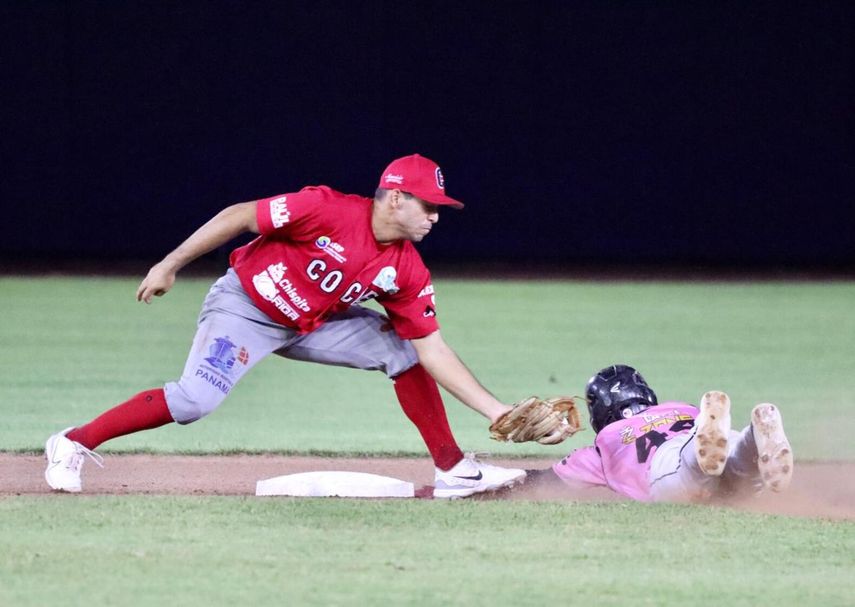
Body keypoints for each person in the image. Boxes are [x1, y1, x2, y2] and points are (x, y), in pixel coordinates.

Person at [44, 154, 528, 498]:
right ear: (396, 198)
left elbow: (432, 349)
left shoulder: (406, 269)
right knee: (194, 401)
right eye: (428, 205)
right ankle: (73, 443)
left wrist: (496, 410)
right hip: (246, 308)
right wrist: (169, 264)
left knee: (402, 350)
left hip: (312, 323)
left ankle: (454, 469)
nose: (436, 216)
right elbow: (238, 216)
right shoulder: (326, 208)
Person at [528, 364, 793, 503]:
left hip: (668, 461)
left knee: (691, 472)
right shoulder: (679, 408)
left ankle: (707, 448)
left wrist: (495, 478)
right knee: (740, 477)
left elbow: (545, 483)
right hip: (692, 432)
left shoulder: (607, 441)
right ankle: (753, 438)